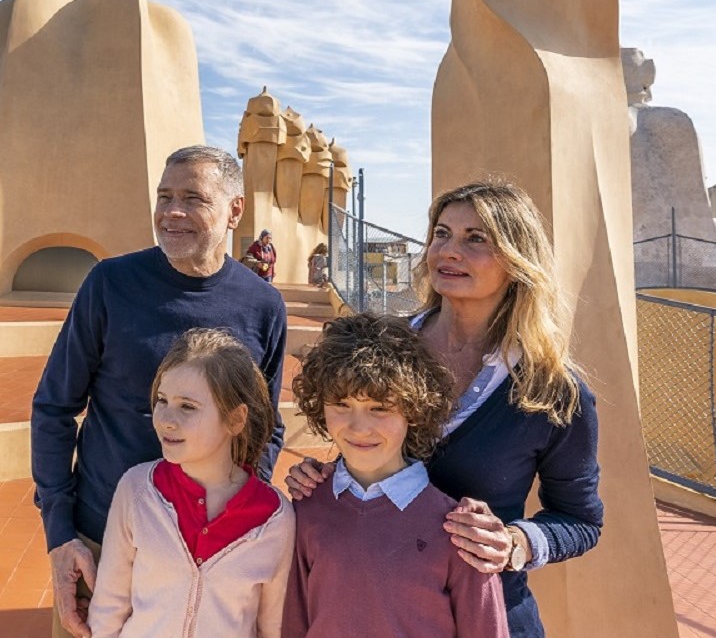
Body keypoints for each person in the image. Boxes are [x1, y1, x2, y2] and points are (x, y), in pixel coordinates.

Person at [286, 181, 602, 638]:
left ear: (516, 259)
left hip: (492, 619)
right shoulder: (383, 344)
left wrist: (514, 543)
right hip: (373, 616)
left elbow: (581, 521)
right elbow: (369, 442)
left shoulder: (554, 391)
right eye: (441, 233)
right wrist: (327, 476)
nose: (449, 251)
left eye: (476, 239)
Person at [32, 146, 290, 638]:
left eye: (193, 198)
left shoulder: (263, 306)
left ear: (234, 209)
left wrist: (240, 512)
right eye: (165, 196)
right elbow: (54, 407)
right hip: (100, 537)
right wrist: (61, 533)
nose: (172, 211)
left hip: (211, 555)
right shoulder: (109, 283)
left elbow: (266, 426)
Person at [284, 313, 508, 638]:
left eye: (379, 408)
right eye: (341, 404)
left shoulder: (460, 530)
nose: (359, 428)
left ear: (413, 409)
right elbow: (294, 622)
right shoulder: (307, 508)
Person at [87, 329, 294, 638]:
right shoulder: (136, 491)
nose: (166, 419)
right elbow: (108, 607)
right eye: (162, 400)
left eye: (187, 406)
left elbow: (272, 627)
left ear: (236, 420)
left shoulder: (275, 519)